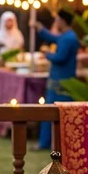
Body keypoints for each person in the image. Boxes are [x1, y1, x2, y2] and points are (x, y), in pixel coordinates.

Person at [31, 8, 79, 149]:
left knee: (52, 113)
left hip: (60, 82)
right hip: (63, 81)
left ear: (63, 21)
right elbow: (54, 38)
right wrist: (41, 29)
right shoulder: (68, 36)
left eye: (57, 20)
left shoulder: (68, 38)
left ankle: (45, 143)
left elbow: (60, 57)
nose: (55, 22)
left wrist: (47, 53)